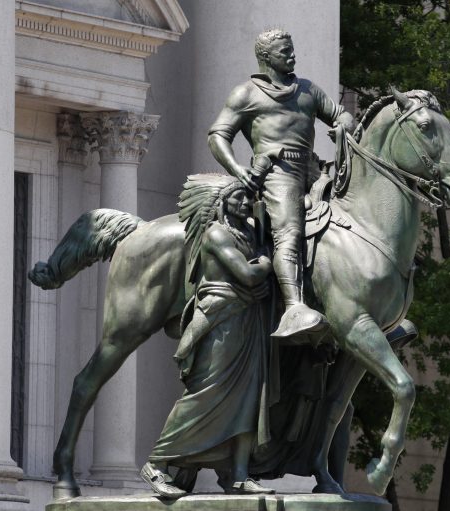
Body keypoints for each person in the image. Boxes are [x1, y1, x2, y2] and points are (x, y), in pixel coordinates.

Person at [208, 28, 355, 339]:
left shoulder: (308, 90)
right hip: (277, 172)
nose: (292, 55)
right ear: (265, 57)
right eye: (284, 51)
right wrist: (237, 168)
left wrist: (343, 126)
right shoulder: (245, 94)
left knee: (352, 220)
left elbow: (341, 116)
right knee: (290, 231)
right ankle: (293, 307)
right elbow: (218, 135)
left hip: (313, 170)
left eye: (292, 49)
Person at [140, 174, 276, 498]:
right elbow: (246, 273)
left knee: (248, 397)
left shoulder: (249, 235)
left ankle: (239, 475)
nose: (244, 203)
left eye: (247, 198)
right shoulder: (217, 234)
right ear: (221, 202)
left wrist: (262, 248)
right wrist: (267, 263)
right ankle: (156, 464)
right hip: (221, 319)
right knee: (206, 392)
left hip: (247, 318)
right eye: (237, 197)